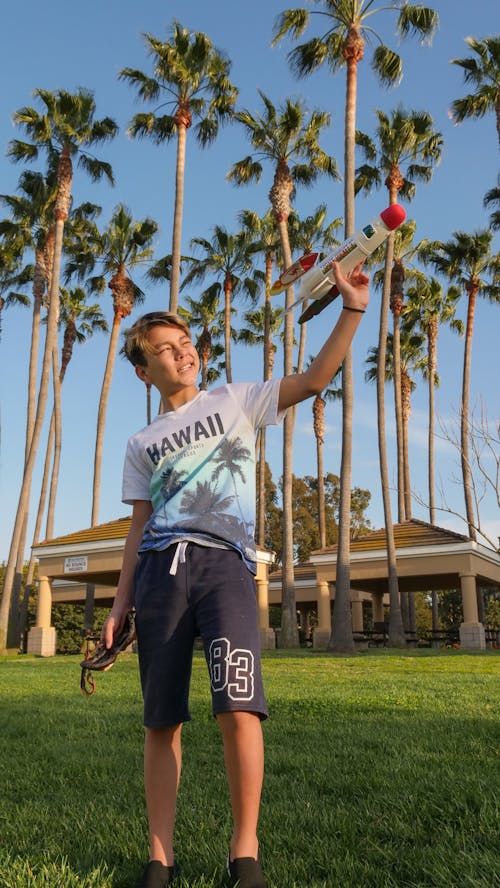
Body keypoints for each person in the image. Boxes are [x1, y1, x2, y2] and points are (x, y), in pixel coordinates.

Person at [102, 261, 369, 888]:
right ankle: (159, 857)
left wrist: (351, 308)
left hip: (227, 568)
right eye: (164, 350)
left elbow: (315, 377)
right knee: (160, 719)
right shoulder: (142, 443)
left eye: (185, 342)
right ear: (145, 371)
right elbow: (137, 530)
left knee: (239, 707)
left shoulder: (237, 399)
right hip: (160, 576)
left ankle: (242, 851)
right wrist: (119, 607)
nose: (181, 353)